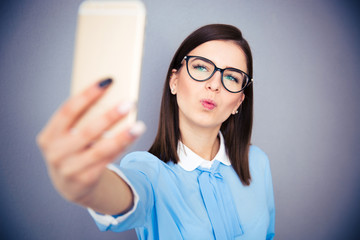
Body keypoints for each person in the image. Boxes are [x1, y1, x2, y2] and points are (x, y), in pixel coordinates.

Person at [37, 24, 275, 240]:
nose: (213, 84)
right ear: (174, 81)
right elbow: (125, 193)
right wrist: (88, 187)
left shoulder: (258, 163)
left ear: (239, 102)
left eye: (232, 77)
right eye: (201, 67)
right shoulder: (147, 170)